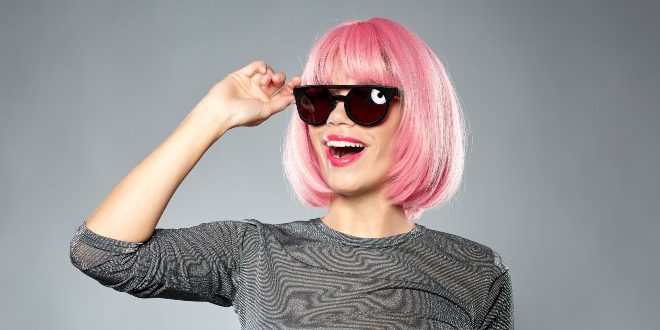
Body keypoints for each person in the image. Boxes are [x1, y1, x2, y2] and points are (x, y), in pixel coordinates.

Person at [69, 17, 513, 329]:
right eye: (319, 100)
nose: (337, 119)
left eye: (366, 100)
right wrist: (214, 115)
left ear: (419, 116)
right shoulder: (254, 251)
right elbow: (102, 252)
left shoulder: (475, 271)